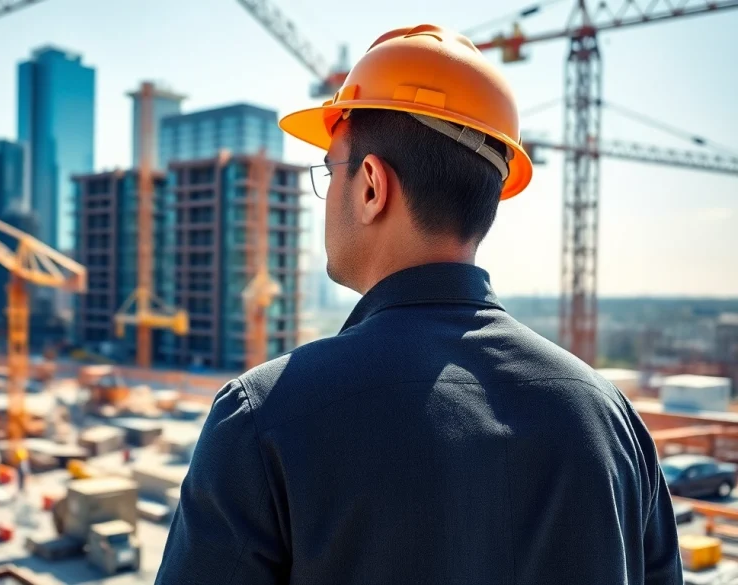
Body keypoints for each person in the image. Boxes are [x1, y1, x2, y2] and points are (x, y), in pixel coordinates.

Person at [155, 24, 681, 585]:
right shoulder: (612, 424)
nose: (326, 195)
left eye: (331, 171)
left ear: (372, 186)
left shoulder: (263, 420)